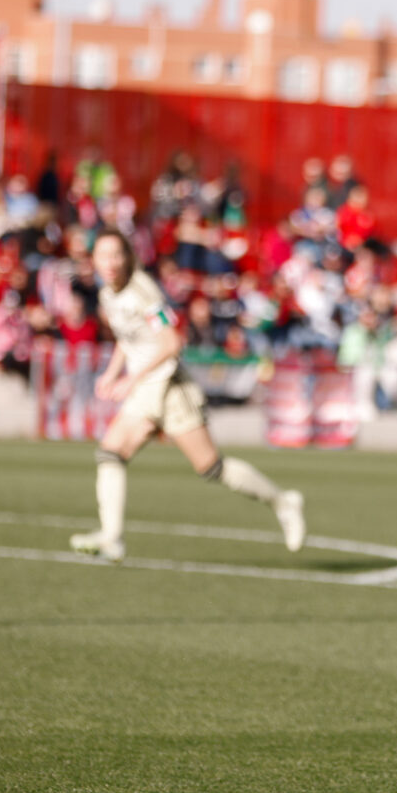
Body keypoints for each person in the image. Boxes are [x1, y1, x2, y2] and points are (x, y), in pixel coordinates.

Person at [69, 230, 306, 562]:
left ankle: (283, 501)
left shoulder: (144, 291)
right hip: (146, 389)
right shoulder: (108, 293)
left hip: (169, 385)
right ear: (93, 260)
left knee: (210, 467)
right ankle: (111, 538)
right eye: (103, 256)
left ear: (128, 258)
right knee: (110, 454)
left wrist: (130, 378)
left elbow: (171, 342)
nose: (109, 263)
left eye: (116, 255)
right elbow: (129, 336)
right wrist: (112, 372)